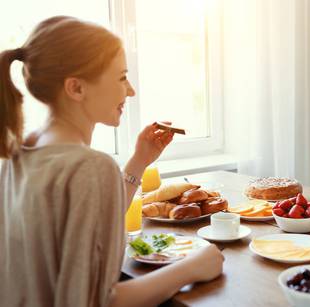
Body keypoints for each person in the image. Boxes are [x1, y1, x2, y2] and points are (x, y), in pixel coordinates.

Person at [0, 16, 224, 307]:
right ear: (76, 88)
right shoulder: (90, 167)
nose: (130, 90)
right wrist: (191, 267)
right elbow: (99, 302)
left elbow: (86, 222)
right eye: (121, 77)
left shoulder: (21, 153)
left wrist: (139, 160)